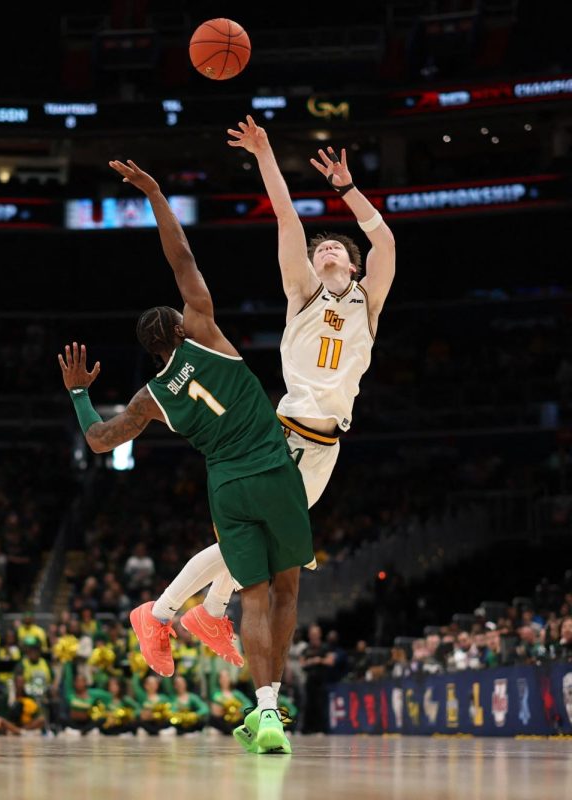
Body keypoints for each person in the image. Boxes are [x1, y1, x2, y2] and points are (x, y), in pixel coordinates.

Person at [141, 120, 397, 742]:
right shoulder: (304, 294)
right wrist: (264, 156)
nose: (324, 251)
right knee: (252, 549)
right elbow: (286, 217)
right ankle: (169, 611)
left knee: (264, 552)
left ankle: (200, 612)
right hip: (280, 433)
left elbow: (383, 236)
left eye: (334, 249)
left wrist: (348, 188)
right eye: (318, 250)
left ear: (354, 265)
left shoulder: (369, 300)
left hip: (328, 447)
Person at [62, 158, 315, 755]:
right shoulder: (204, 331)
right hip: (273, 471)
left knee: (250, 597)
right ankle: (269, 708)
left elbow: (99, 442)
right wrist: (154, 192)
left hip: (227, 488)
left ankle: (264, 712)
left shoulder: (150, 399)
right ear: (178, 326)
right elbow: (183, 260)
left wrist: (78, 394)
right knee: (285, 593)